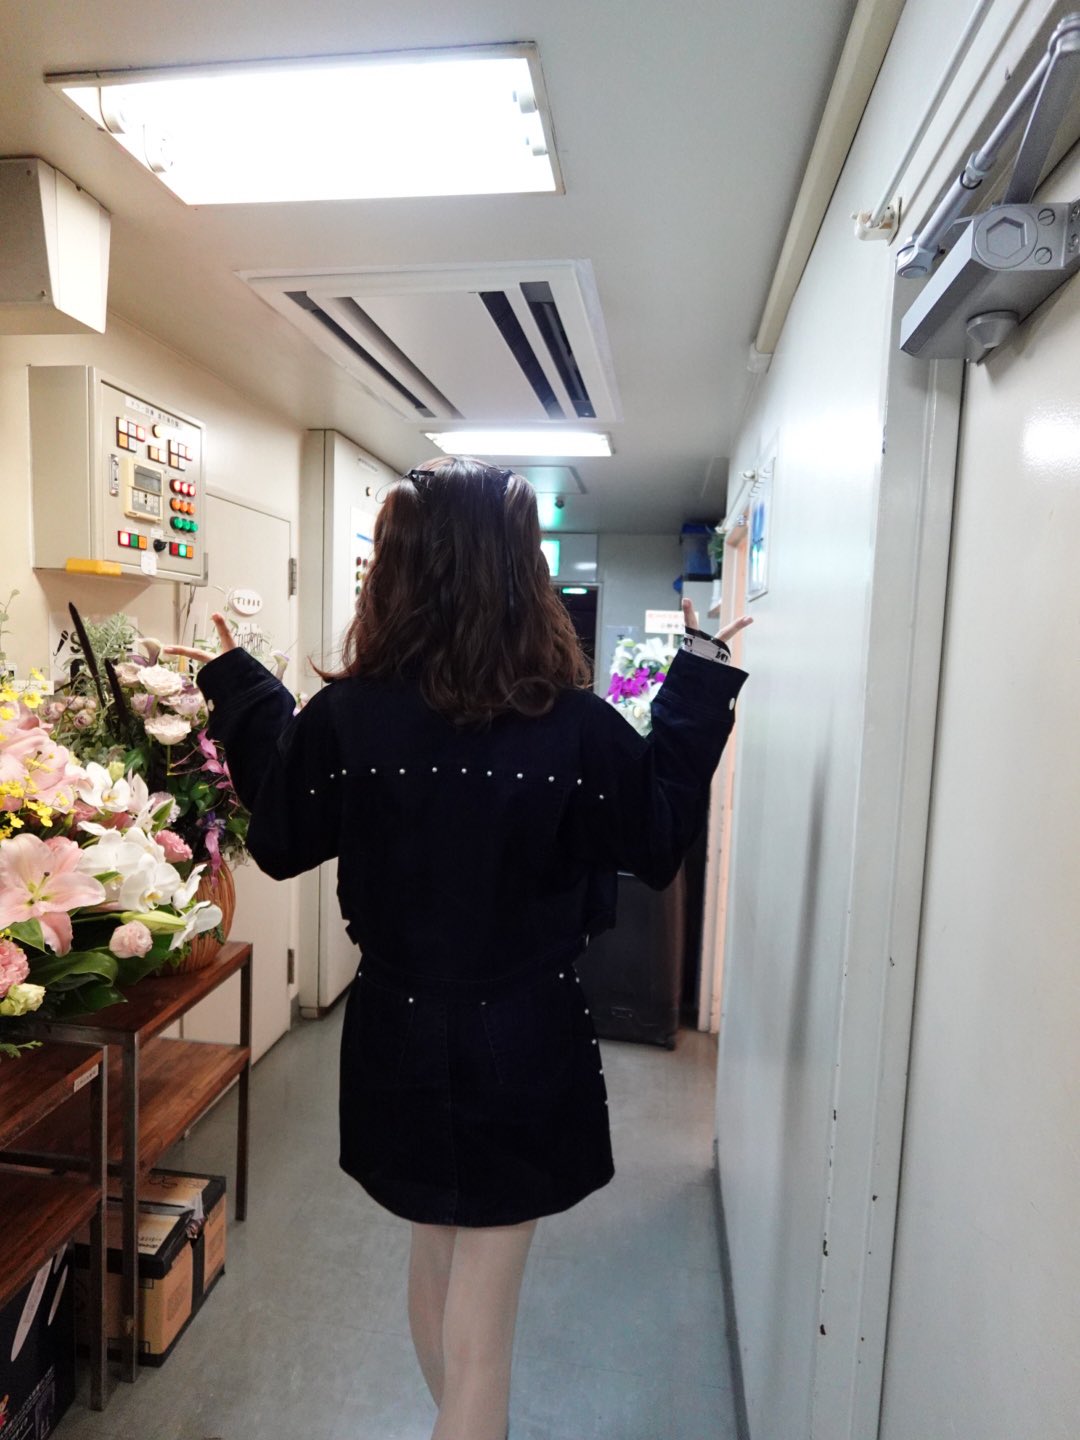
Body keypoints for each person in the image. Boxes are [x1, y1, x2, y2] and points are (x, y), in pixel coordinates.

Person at [167, 455, 751, 1440]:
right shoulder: (571, 725)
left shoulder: (350, 717)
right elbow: (654, 840)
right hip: (525, 1038)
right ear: (519, 573)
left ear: (400, 572)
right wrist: (698, 677)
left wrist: (241, 685)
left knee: (435, 1252)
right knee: (484, 1321)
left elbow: (282, 832)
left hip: (394, 1031)